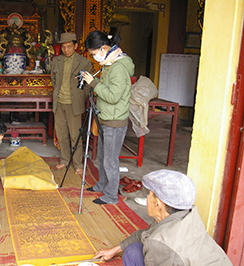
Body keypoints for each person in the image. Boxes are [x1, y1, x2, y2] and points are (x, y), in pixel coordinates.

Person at [93, 170, 233, 265]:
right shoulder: (185, 215)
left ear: (158, 204)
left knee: (134, 253)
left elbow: (156, 242)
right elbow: (144, 235)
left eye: (149, 195)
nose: (147, 198)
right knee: (133, 250)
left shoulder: (162, 244)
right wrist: (114, 250)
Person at [82, 31, 134, 204]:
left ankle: (112, 195)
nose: (95, 57)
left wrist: (94, 83)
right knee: (103, 156)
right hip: (105, 118)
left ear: (104, 48)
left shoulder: (118, 67)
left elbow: (113, 97)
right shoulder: (108, 64)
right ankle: (102, 184)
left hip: (114, 121)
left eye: (94, 53)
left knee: (111, 160)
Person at [51, 32, 92, 175]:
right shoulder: (56, 61)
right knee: (62, 135)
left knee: (75, 135)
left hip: (74, 104)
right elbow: (54, 80)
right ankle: (64, 160)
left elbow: (87, 85)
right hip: (59, 103)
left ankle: (78, 163)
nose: (66, 50)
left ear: (75, 46)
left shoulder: (84, 62)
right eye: (63, 47)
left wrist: (80, 96)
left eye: (69, 46)